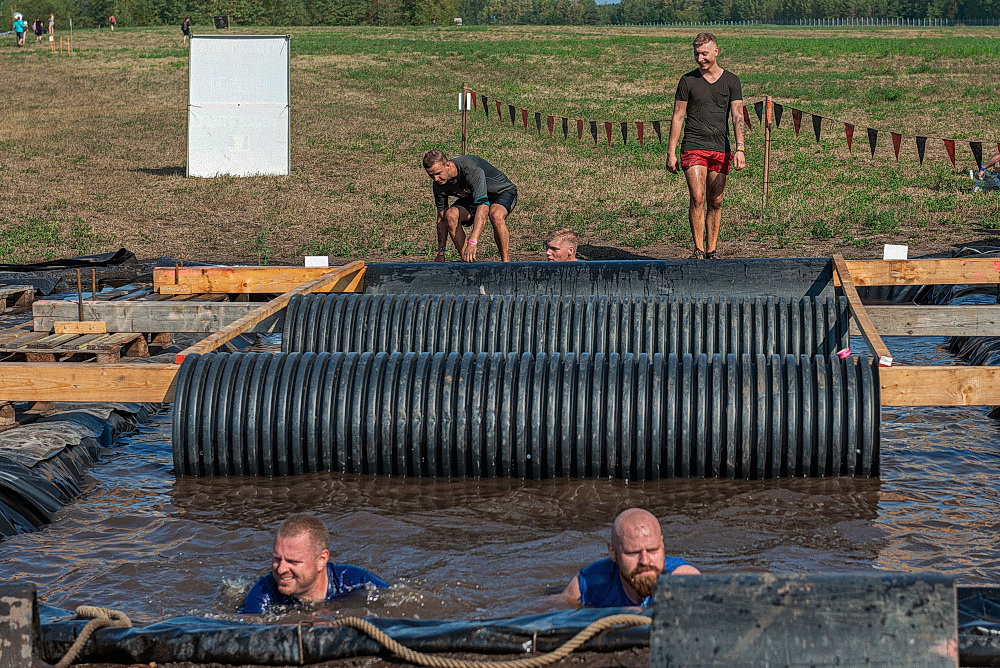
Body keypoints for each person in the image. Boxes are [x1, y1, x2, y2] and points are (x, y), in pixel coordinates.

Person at [666, 32, 746, 260]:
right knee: (698, 197)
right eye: (696, 54)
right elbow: (678, 116)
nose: (700, 58)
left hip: (720, 147)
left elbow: (737, 116)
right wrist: (671, 152)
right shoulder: (687, 81)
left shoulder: (732, 81)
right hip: (693, 145)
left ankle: (712, 251)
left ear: (716, 51)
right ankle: (697, 250)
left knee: (716, 200)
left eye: (704, 53)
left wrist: (740, 149)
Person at [239, 513, 389, 614]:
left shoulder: (356, 582)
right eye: (277, 559)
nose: (281, 569)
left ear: (321, 560)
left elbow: (400, 603)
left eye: (292, 561)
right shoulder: (263, 592)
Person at [562, 508, 700, 608]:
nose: (645, 561)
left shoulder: (683, 578)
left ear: (662, 544)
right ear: (612, 552)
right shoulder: (587, 584)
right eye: (633, 553)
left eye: (652, 550)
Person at [423, 149, 516, 263]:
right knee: (450, 216)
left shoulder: (470, 169)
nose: (436, 179)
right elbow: (441, 218)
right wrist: (441, 252)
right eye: (431, 175)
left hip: (501, 192)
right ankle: (468, 263)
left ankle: (506, 264)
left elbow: (483, 207)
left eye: (438, 173)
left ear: (448, 165)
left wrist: (472, 242)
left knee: (495, 215)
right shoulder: (438, 185)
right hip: (473, 197)